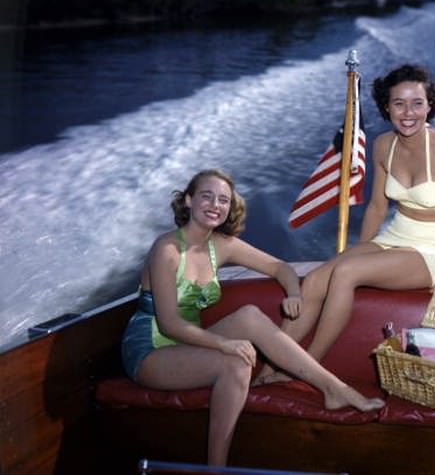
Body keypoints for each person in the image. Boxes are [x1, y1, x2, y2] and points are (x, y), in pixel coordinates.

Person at [120, 169, 384, 466]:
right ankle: (216, 469)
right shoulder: (166, 249)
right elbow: (169, 323)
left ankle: (334, 389)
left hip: (190, 344)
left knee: (250, 316)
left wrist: (294, 293)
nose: (215, 205)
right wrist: (224, 344)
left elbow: (279, 267)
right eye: (206, 196)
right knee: (236, 363)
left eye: (223, 200)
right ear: (189, 201)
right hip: (152, 350)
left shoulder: (221, 246)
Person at [255, 64, 435, 384]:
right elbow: (376, 206)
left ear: (430, 106)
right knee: (316, 279)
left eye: (417, 103)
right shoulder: (383, 145)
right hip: (397, 233)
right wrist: (361, 250)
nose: (408, 112)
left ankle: (306, 369)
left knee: (345, 273)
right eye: (399, 103)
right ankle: (270, 367)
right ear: (387, 107)